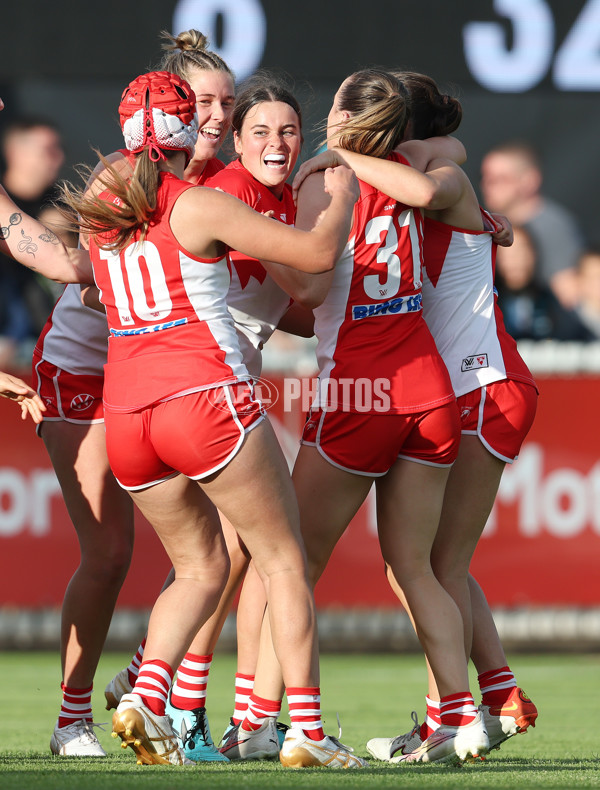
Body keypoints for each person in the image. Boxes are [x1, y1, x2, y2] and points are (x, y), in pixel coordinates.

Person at [1, 69, 364, 771]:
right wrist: (341, 190)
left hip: (129, 407)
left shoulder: (108, 196)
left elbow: (62, 259)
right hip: (192, 395)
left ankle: (146, 691)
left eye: (229, 104)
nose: (219, 116)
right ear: (182, 124)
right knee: (282, 558)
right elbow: (314, 261)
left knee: (202, 565)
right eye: (205, 105)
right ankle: (304, 732)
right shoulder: (201, 202)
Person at [223, 67, 492, 767]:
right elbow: (462, 178)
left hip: (359, 391)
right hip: (429, 389)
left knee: (289, 561)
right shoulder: (413, 164)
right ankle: (461, 720)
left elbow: (310, 286)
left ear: (342, 117)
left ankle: (255, 721)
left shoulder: (323, 175)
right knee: (419, 568)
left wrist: (250, 236)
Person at [292, 70, 540, 761]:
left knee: (434, 564)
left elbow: (441, 174)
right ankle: (491, 698)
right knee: (430, 564)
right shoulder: (405, 173)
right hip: (463, 387)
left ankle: (463, 712)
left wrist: (339, 155)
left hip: (481, 383)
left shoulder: (427, 169)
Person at [0, 114, 71, 368]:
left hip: (49, 337)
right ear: (15, 153)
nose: (58, 158)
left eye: (58, 149)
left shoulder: (66, 206)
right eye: (48, 150)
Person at [480, 140, 584, 310]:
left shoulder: (551, 226)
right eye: (484, 178)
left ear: (530, 181)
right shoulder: (488, 224)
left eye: (498, 179)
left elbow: (570, 298)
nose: (487, 186)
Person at [495, 225, 592, 341]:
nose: (516, 260)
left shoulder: (552, 302)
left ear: (534, 254)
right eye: (508, 254)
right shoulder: (486, 303)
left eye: (522, 251)